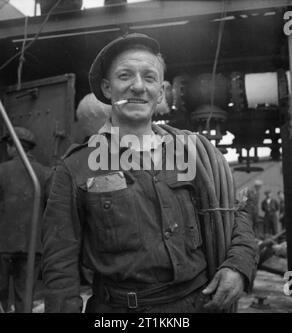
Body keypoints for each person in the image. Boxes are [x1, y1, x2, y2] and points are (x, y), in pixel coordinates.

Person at [41, 33, 258, 313]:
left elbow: (235, 211)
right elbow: (60, 266)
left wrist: (238, 266)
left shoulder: (192, 153)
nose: (138, 87)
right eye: (125, 76)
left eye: (149, 78)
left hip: (197, 306)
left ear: (161, 91)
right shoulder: (76, 167)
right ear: (108, 88)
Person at [0, 127, 52, 312]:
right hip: (32, 246)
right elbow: (51, 209)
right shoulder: (45, 173)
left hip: (0, 245)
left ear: (12, 147)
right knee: (25, 297)